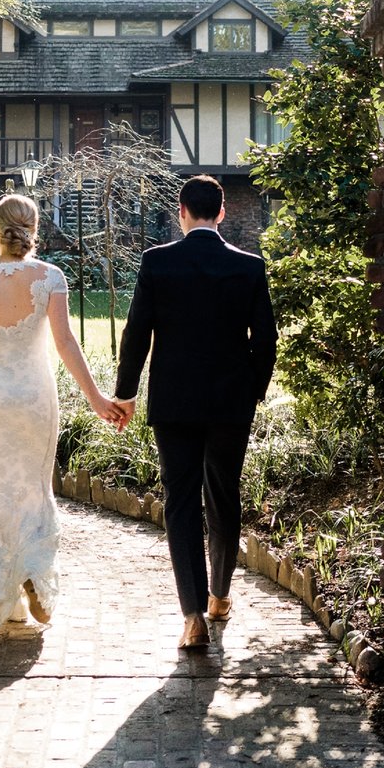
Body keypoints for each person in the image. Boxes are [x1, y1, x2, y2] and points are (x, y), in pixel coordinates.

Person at [0, 191, 131, 639]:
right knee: (34, 488)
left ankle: (8, 595)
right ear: (33, 230)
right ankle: (35, 576)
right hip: (36, 397)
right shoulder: (50, 277)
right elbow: (66, 344)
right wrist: (96, 399)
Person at [112, 175, 279, 654]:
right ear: (221, 213)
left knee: (181, 501)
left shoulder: (157, 262)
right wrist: (253, 391)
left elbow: (137, 334)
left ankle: (191, 617)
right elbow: (265, 340)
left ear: (182, 211)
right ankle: (220, 595)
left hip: (174, 403)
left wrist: (126, 394)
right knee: (224, 495)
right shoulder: (249, 267)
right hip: (230, 403)